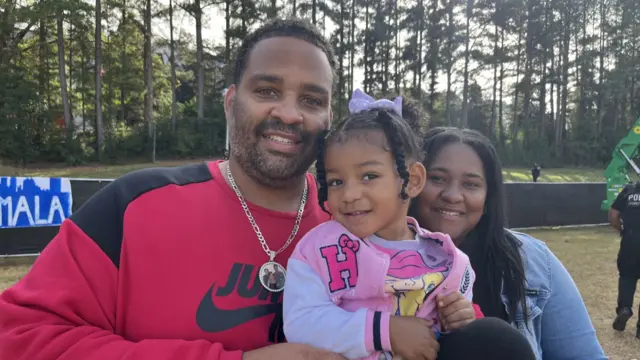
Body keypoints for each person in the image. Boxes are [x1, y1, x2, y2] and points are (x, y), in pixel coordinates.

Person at [0, 18, 347, 360]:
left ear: (330, 116)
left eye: (312, 100)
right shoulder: (131, 207)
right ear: (230, 103)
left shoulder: (361, 219)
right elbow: (18, 339)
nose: (289, 114)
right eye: (266, 91)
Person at [283, 90, 536, 360]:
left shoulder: (446, 258)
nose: (349, 194)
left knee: (500, 340)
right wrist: (384, 330)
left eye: (369, 176)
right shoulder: (320, 249)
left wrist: (459, 316)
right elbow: (301, 322)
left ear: (413, 180)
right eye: (336, 181)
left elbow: (449, 333)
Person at [409, 127, 608, 359]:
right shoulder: (365, 258)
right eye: (437, 179)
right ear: (412, 182)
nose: (453, 195)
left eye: (471, 184)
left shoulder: (531, 261)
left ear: (488, 198)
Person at [608, 181, 640, 339]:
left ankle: (624, 308)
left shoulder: (628, 190)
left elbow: (613, 214)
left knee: (627, 276)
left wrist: (622, 230)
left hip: (630, 240)